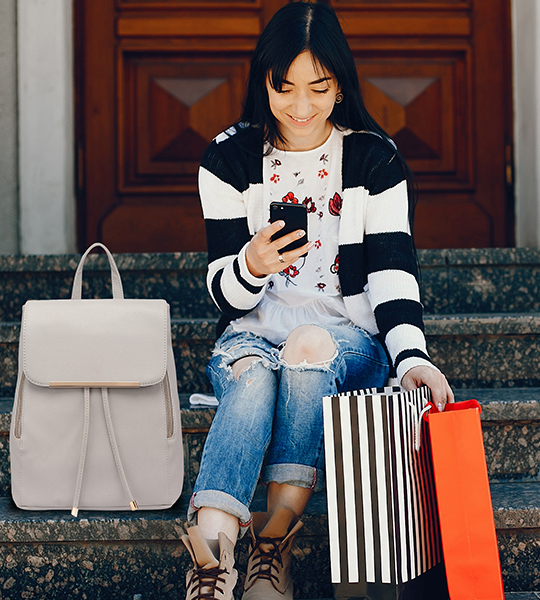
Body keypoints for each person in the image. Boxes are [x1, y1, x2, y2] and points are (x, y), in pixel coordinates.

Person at [183, 2, 454, 599]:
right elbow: (223, 297)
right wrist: (250, 267)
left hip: (345, 337)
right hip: (252, 331)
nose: (301, 108)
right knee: (251, 376)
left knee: (307, 347)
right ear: (264, 83)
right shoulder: (228, 158)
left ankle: (272, 547)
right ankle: (214, 564)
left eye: (318, 88)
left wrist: (410, 357)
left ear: (340, 85)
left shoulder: (373, 159)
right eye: (285, 89)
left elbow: (392, 274)